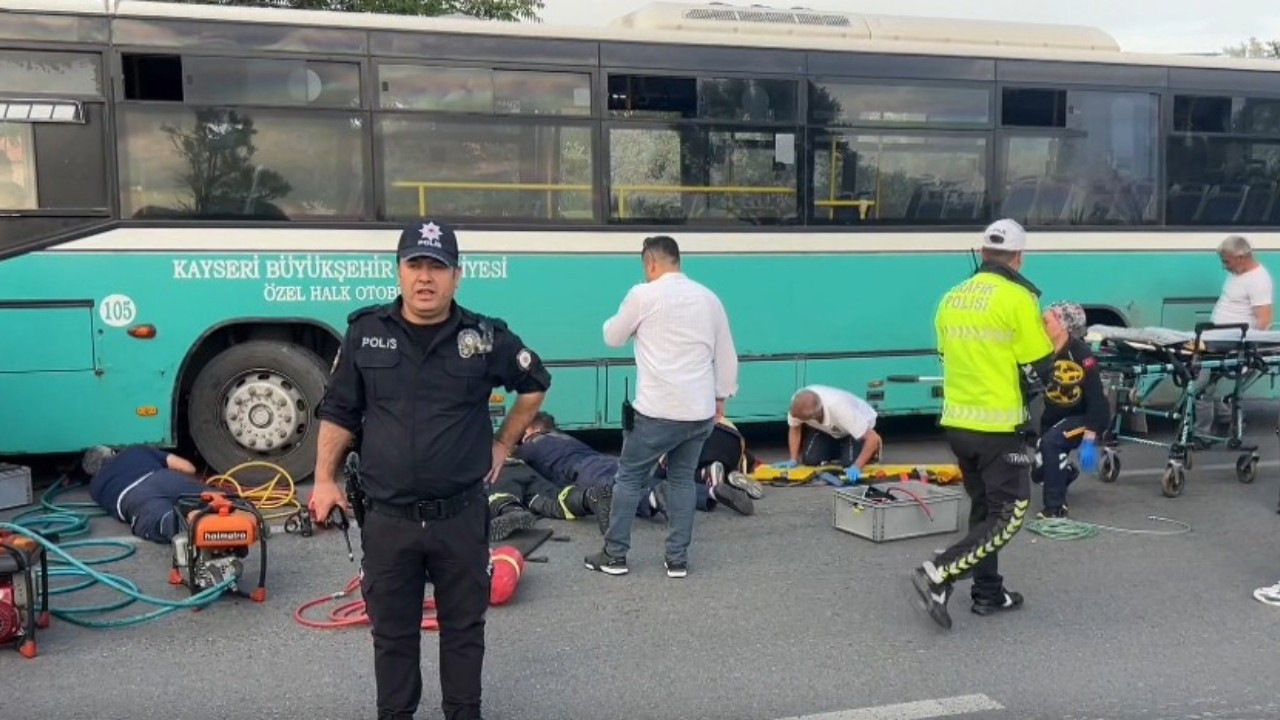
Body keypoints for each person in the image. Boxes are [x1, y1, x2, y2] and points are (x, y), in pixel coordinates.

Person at [309, 218, 551, 720]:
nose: (425, 277)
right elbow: (338, 411)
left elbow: (534, 383)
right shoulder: (366, 334)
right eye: (415, 265)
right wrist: (325, 479)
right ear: (398, 271)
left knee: (463, 632)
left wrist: (505, 441)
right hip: (388, 519)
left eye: (437, 267)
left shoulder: (484, 338)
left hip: (459, 517)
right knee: (392, 636)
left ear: (456, 277)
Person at [911, 218, 1057, 630]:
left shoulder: (952, 297)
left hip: (959, 422)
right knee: (1009, 515)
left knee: (985, 511)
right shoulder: (1016, 298)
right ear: (1018, 257)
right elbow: (1038, 364)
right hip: (998, 426)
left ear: (984, 253)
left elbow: (944, 356)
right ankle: (939, 572)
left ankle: (989, 593)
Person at [585, 234, 739, 579]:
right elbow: (726, 354)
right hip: (699, 413)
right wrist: (720, 397)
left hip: (656, 412)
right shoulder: (708, 298)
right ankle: (677, 560)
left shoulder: (644, 295)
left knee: (629, 480)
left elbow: (613, 336)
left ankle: (615, 555)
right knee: (683, 480)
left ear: (651, 263)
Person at [1032, 301, 1110, 519]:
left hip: (1085, 417)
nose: (1041, 324)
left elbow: (1097, 398)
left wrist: (1090, 437)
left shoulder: (1081, 355)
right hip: (1055, 418)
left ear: (1064, 325)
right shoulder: (1041, 351)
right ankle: (1065, 472)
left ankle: (1055, 509)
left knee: (1052, 443)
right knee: (1038, 473)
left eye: (1046, 321)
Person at [1194, 235, 1275, 440]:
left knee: (1200, 387)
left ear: (1241, 258)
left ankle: (1201, 433)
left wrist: (1249, 354)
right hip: (1216, 337)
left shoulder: (1258, 280)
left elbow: (1264, 321)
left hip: (1231, 342)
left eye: (1226, 261)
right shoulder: (1238, 273)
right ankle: (1230, 417)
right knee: (1207, 385)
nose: (1224, 267)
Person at [82, 444, 210, 544]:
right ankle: (221, 512)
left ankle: (193, 522)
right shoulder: (136, 450)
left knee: (165, 522)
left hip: (135, 496)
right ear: (112, 452)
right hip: (164, 478)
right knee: (215, 497)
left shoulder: (95, 487)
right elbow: (188, 468)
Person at [652, 416, 763, 516]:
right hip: (731, 437)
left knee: (658, 481)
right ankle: (727, 476)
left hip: (696, 439)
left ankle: (705, 479)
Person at [776, 385, 883, 483]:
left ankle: (871, 451)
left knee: (849, 463)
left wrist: (857, 466)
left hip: (855, 429)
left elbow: (871, 438)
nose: (797, 419)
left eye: (801, 418)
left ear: (814, 415)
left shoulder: (841, 408)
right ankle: (843, 449)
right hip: (830, 429)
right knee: (811, 460)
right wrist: (793, 459)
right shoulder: (798, 402)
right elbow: (795, 428)